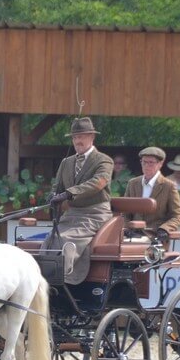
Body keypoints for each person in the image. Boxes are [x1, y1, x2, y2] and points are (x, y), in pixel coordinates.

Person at [42, 117, 114, 284]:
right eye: (74, 137)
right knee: (49, 240)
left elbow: (98, 183)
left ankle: (64, 280)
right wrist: (53, 196)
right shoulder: (66, 163)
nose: (77, 141)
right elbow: (57, 187)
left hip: (95, 214)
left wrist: (69, 193)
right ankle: (46, 281)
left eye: (81, 136)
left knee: (66, 240)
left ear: (91, 137)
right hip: (72, 214)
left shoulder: (103, 160)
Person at [124, 146, 180, 243]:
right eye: (144, 162)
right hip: (132, 235)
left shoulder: (168, 186)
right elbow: (124, 212)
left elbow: (177, 216)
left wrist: (164, 229)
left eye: (151, 162)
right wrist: (127, 228)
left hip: (155, 237)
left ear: (160, 164)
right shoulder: (133, 183)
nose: (146, 165)